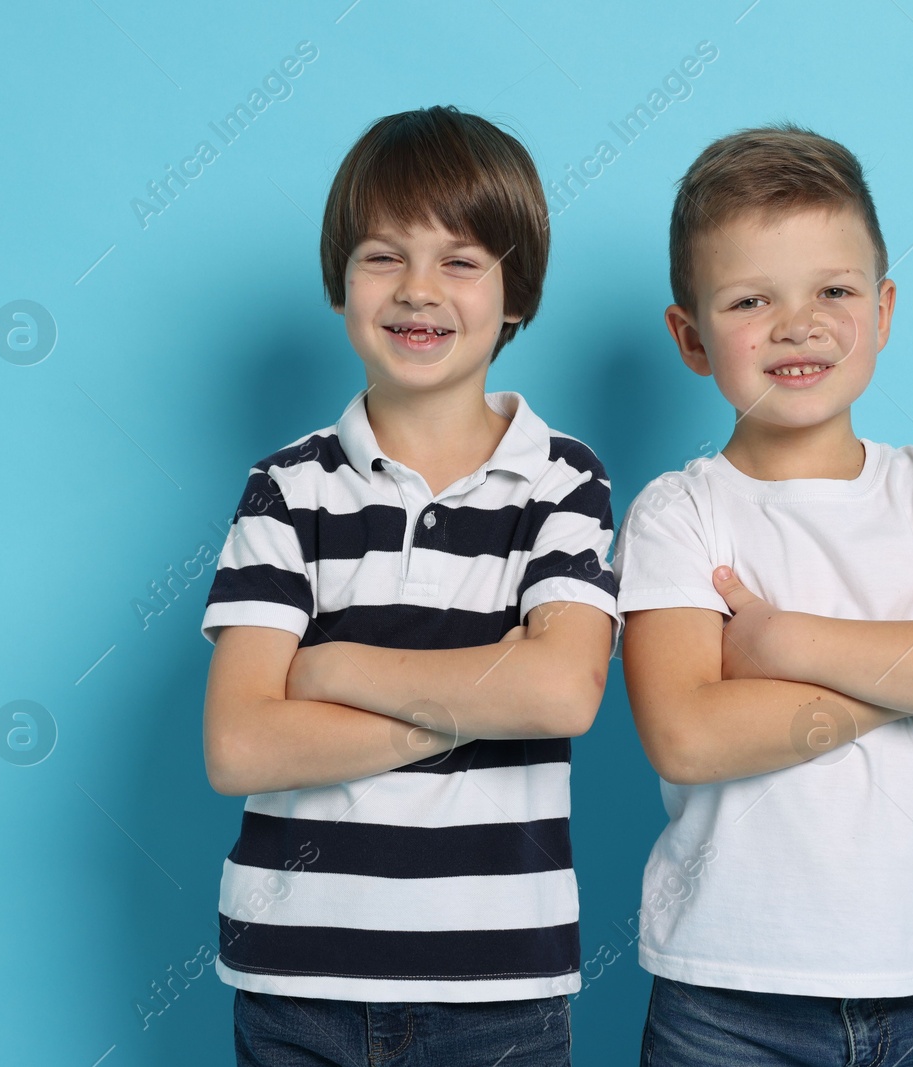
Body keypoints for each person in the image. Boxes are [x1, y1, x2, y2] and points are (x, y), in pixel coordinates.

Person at [614, 123, 913, 1066]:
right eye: (749, 299)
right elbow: (690, 736)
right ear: (691, 337)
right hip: (727, 1003)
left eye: (835, 291)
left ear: (884, 310)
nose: (798, 324)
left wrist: (781, 643)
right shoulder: (679, 513)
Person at [197, 105, 620, 1067]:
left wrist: (330, 664)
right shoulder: (287, 486)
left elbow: (559, 691)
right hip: (296, 980)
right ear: (341, 281)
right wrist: (479, 697)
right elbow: (240, 743)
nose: (419, 289)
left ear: (516, 294)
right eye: (384, 256)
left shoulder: (565, 479)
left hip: (499, 986)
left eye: (461, 261)